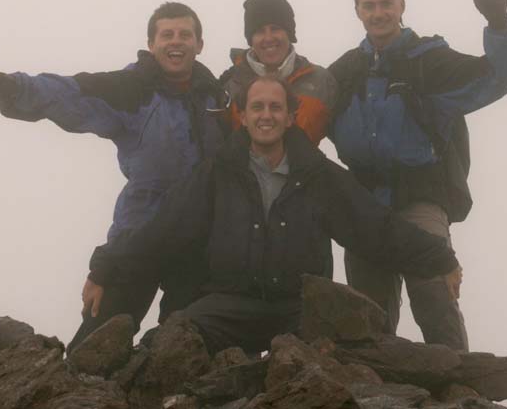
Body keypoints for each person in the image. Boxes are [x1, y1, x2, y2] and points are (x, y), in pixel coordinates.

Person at [92, 75, 461, 354]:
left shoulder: (319, 175)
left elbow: (376, 227)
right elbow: (163, 229)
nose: (265, 115)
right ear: (242, 116)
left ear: (290, 117)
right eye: (257, 107)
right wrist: (104, 269)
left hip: (298, 309)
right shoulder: (217, 172)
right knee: (168, 345)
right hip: (228, 304)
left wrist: (440, 258)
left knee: (356, 354)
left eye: (275, 108)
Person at [0, 2, 227, 351]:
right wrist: (3, 84)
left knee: (188, 346)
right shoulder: (130, 89)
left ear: (200, 44)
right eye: (167, 35)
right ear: (151, 44)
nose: (176, 42)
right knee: (95, 345)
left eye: (185, 34)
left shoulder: (218, 98)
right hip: (137, 239)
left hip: (197, 245)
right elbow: (67, 92)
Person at [327, 0, 507, 352]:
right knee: (365, 312)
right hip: (365, 203)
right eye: (369, 5)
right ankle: (372, 381)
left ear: (402, 5)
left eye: (386, 3)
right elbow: (301, 115)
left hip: (421, 196)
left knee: (434, 295)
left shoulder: (430, 62)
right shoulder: (345, 71)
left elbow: (498, 76)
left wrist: (500, 27)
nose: (379, 13)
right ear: (357, 10)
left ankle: (460, 378)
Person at [220, 0, 336, 144]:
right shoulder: (229, 86)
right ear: (251, 39)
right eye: (260, 31)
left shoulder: (321, 82)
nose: (268, 38)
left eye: (275, 29)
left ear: (289, 34)